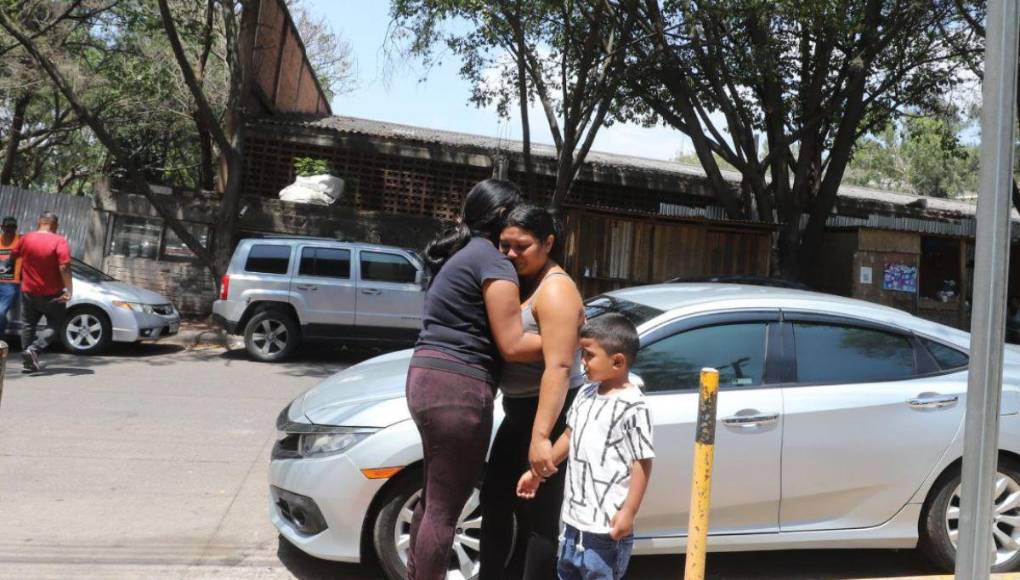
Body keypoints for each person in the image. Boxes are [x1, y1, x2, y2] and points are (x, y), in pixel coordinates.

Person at [406, 179, 543, 580]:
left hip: (428, 378)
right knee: (446, 509)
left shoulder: (464, 254)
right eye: (514, 216)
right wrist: (570, 338)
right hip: (458, 389)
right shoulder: (493, 262)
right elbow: (514, 344)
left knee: (434, 499)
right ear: (501, 217)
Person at [480, 204, 585, 579]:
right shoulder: (523, 280)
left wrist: (542, 437)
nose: (510, 254)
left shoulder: (556, 290)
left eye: (521, 246)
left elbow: (558, 366)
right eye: (504, 245)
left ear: (548, 243)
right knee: (497, 501)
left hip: (548, 416)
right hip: (519, 411)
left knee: (539, 518)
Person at [516, 313, 654, 580]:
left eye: (589, 355)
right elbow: (569, 437)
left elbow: (642, 462)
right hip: (572, 525)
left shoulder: (634, 406)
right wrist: (537, 473)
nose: (583, 362)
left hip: (605, 531)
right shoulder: (586, 392)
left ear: (617, 361)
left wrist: (629, 511)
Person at [6, 212, 72, 372]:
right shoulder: (59, 240)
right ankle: (34, 350)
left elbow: (12, 256)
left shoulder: (26, 238)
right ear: (54, 225)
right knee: (56, 324)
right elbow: (64, 266)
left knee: (28, 325)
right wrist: (69, 288)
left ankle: (28, 361)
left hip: (28, 291)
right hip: (53, 294)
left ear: (39, 222)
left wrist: (9, 266)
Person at [0, 216, 22, 339]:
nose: (10, 230)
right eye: (7, 227)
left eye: (13, 227)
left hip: (10, 285)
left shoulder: (20, 241)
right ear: (2, 227)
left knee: (1, 313)